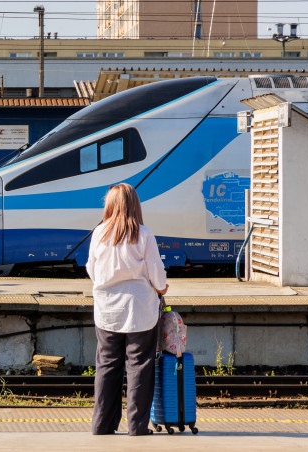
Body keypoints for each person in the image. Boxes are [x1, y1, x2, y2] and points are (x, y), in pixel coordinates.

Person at [86, 183, 168, 436]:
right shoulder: (144, 234)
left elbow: (91, 269)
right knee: (139, 365)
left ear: (109, 205)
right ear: (135, 204)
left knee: (107, 365)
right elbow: (156, 272)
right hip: (139, 310)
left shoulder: (99, 233)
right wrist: (162, 287)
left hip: (107, 310)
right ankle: (137, 426)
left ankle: (102, 425)